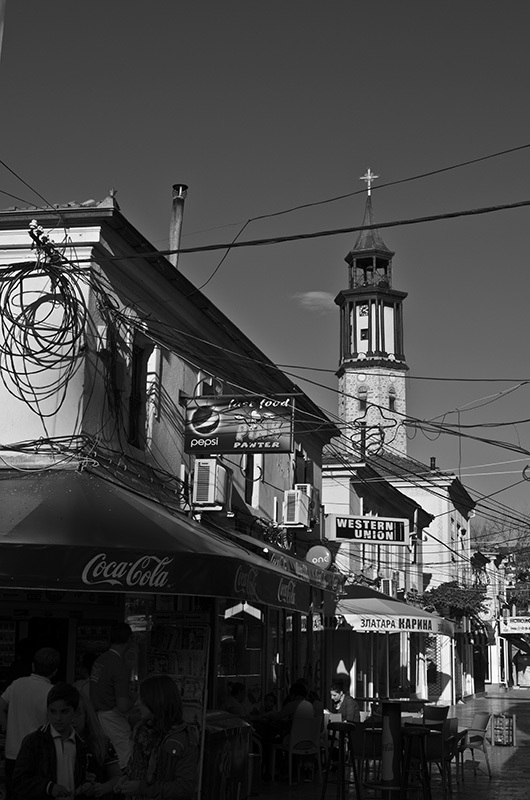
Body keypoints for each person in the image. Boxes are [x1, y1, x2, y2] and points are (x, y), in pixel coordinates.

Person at [114, 674, 199, 800]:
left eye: (142, 699)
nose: (137, 703)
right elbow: (134, 764)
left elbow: (184, 788)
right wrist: (126, 777)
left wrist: (142, 789)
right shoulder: (141, 731)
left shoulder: (181, 739)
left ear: (156, 701)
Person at [11, 682, 98, 800]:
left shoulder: (82, 745)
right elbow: (19, 781)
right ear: (47, 710)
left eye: (64, 712)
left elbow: (86, 776)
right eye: (53, 711)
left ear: (76, 712)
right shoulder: (33, 742)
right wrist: (48, 787)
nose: (58, 718)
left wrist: (88, 785)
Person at [0, 646, 60, 799]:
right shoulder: (52, 692)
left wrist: (7, 728)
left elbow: (1, 707)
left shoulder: (17, 684)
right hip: (39, 757)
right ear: (55, 671)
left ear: (33, 666)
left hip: (12, 752)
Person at [90, 623, 137, 769]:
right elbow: (123, 706)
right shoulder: (119, 666)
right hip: (113, 720)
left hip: (97, 717)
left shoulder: (100, 660)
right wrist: (134, 699)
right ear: (130, 640)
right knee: (125, 762)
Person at [74, 691, 122, 798]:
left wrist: (103, 788)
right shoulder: (53, 744)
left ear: (86, 715)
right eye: (68, 712)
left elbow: (117, 776)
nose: (72, 719)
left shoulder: (101, 742)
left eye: (78, 713)